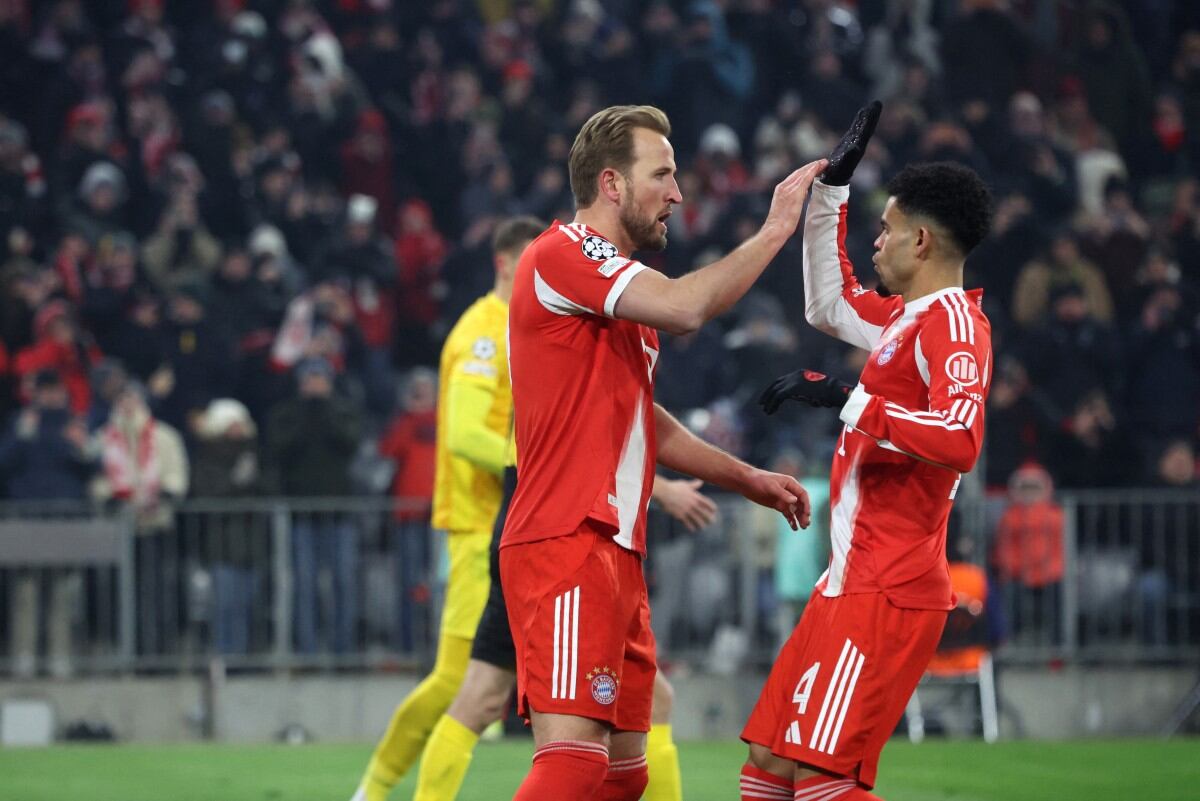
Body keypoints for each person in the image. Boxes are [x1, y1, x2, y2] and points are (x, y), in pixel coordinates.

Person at [502, 104, 821, 801]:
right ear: (611, 184)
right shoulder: (564, 252)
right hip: (566, 538)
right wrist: (775, 230)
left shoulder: (619, 298)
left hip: (616, 547)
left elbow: (648, 422)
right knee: (572, 762)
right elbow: (684, 308)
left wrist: (748, 478)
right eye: (664, 173)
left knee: (625, 771)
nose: (678, 192)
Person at [743, 102, 994, 801]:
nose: (874, 243)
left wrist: (851, 400)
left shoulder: (954, 324)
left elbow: (961, 438)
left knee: (823, 781)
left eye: (883, 231)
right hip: (845, 583)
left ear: (920, 241)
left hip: (889, 588)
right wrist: (833, 193)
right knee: (767, 765)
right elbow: (828, 305)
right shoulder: (906, 317)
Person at [351, 216, 545, 801]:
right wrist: (536, 461)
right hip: (475, 524)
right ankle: (375, 787)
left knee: (475, 683)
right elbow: (461, 434)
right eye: (534, 259)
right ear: (507, 262)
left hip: (510, 523)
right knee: (459, 681)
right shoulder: (483, 334)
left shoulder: (522, 326)